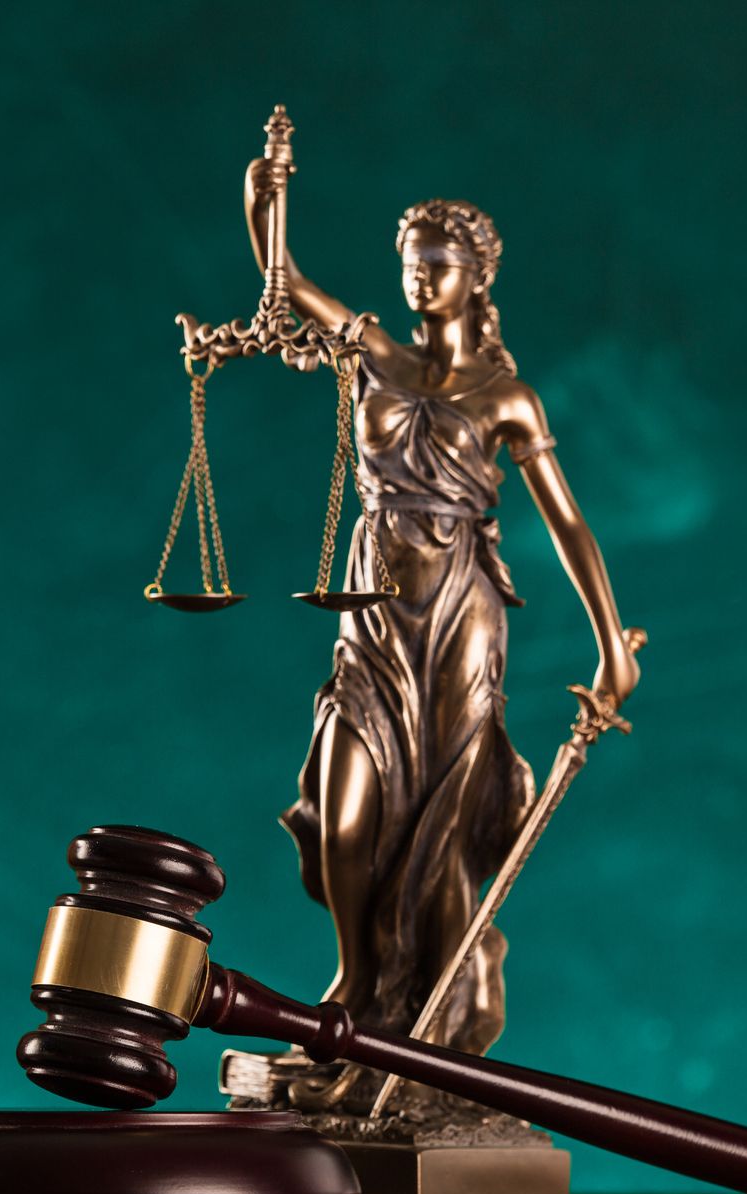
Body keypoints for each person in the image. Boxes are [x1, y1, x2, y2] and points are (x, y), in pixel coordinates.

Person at [244, 159, 642, 1113]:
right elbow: (285, 284)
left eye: (436, 263)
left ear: (477, 275)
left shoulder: (509, 397)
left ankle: (425, 1039)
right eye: (410, 263)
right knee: (347, 812)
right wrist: (261, 204)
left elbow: (570, 523)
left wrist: (610, 647)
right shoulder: (376, 354)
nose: (418, 278)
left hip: (463, 620)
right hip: (375, 616)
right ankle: (355, 987)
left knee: (446, 831)